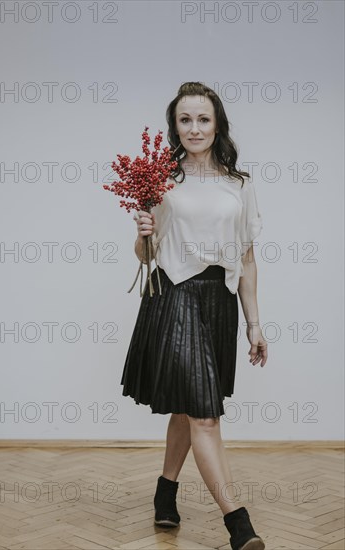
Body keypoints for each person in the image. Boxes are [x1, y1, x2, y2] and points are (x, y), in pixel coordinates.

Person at [120, 82, 268, 550]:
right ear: (175, 125)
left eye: (203, 119)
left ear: (217, 123)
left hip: (219, 303)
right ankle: (238, 524)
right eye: (185, 120)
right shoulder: (160, 178)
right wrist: (143, 231)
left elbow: (245, 259)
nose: (194, 128)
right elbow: (145, 254)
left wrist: (254, 324)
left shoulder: (239, 184)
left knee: (190, 408)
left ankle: (166, 492)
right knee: (204, 414)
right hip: (174, 297)